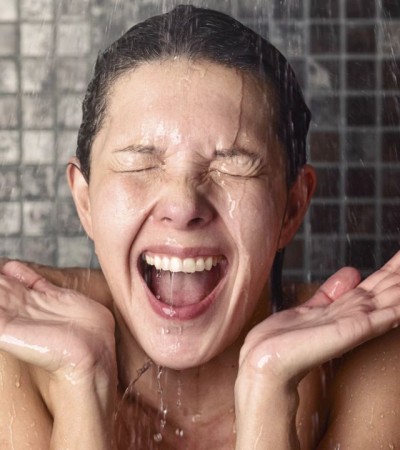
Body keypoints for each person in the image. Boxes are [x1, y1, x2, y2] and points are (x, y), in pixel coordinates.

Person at [0, 5, 399, 449]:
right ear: (86, 201)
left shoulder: (368, 359)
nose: (183, 203)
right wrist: (81, 380)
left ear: (291, 207)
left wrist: (268, 387)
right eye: (140, 164)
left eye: (233, 168)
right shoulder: (16, 343)